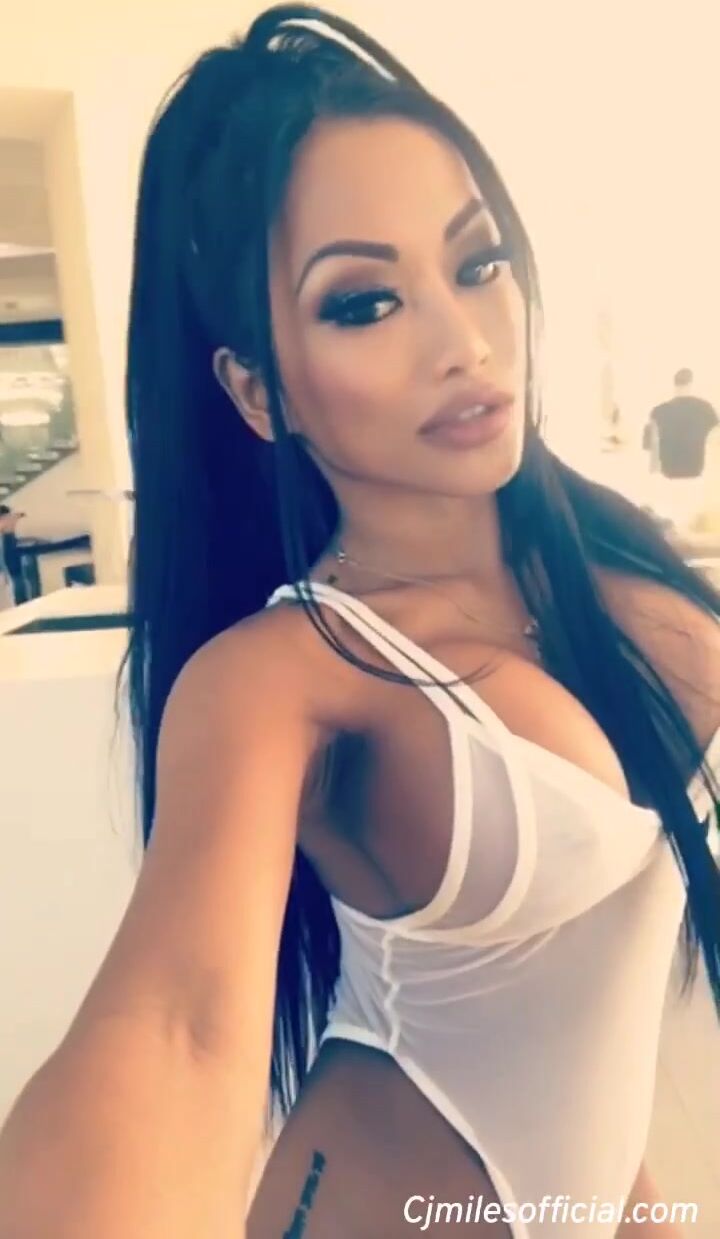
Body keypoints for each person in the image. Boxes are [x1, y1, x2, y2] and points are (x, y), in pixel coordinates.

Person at [1, 7, 719, 1237]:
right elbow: (175, 1030)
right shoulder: (289, 675)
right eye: (365, 303)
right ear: (256, 390)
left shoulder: (612, 561)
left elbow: (575, 991)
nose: (465, 342)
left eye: (478, 263)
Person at [643, 369, 719, 531]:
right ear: (691, 384)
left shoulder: (658, 411)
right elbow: (715, 439)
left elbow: (648, 445)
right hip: (696, 473)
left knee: (669, 525)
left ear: (674, 384)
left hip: (667, 475)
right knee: (693, 525)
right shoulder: (706, 409)